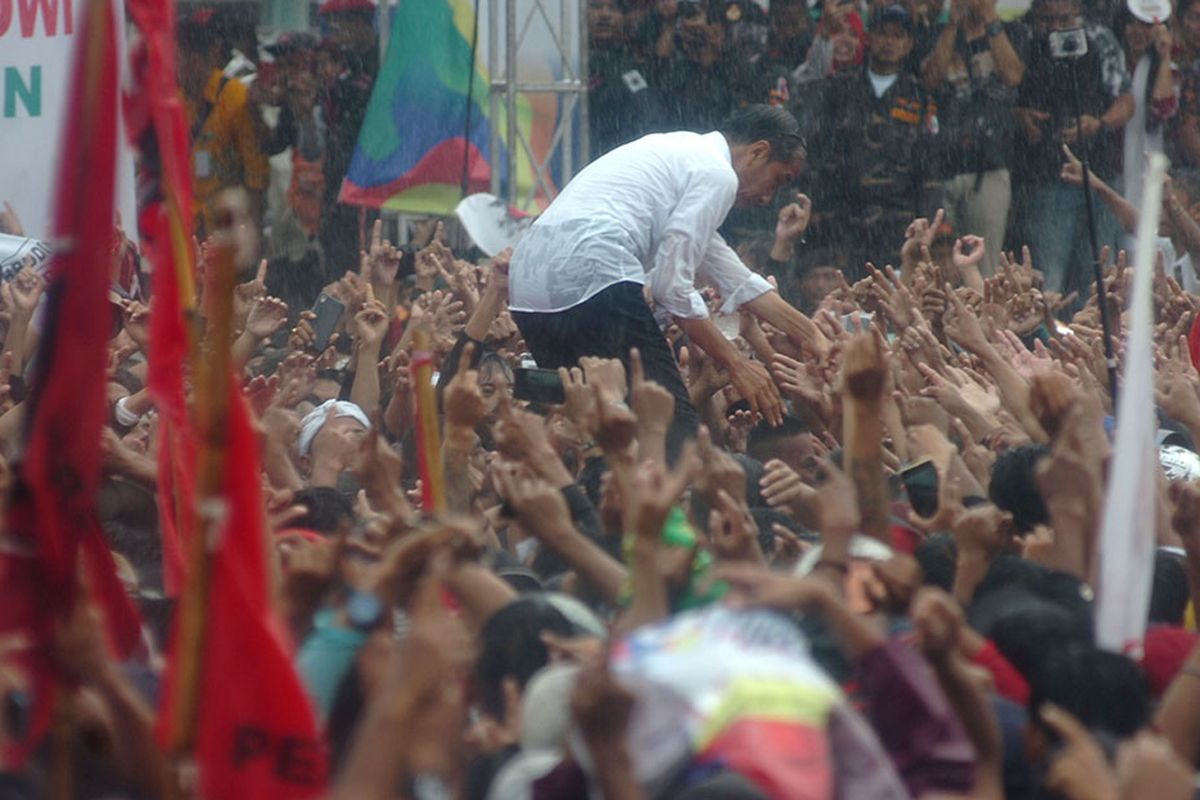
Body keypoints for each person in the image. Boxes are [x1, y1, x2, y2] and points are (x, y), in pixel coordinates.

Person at [508, 105, 826, 448]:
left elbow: (735, 277)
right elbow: (670, 288)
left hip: (528, 288)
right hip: (592, 273)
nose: (768, 198)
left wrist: (812, 334)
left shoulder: (684, 155)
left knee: (589, 433)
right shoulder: (717, 174)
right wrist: (736, 363)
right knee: (670, 436)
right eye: (779, 180)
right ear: (758, 152)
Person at [1013, 0, 1132, 299]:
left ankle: (1097, 341)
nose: (1055, 27)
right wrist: (1019, 115)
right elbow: (1007, 89)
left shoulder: (1099, 37)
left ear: (1076, 8)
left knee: (1101, 278)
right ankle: (1049, 342)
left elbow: (1126, 99)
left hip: (1098, 170)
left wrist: (1099, 123)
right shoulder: (1022, 36)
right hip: (1046, 175)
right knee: (1048, 277)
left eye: (1063, 18)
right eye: (1047, 19)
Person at [808, 4, 940, 275]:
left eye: (897, 35)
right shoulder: (839, 87)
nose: (889, 42)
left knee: (894, 300)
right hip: (844, 217)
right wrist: (818, 204)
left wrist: (926, 218)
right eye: (882, 33)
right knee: (845, 303)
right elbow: (819, 149)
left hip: (897, 221)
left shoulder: (919, 95)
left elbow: (928, 164)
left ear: (908, 44)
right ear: (868, 38)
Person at [921, 0, 1029, 275]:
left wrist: (990, 17)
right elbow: (930, 79)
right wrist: (953, 24)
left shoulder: (1014, 32)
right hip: (942, 166)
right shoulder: (936, 33)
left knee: (984, 263)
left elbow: (1013, 75)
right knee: (936, 263)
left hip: (990, 165)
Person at [177, 10, 269, 234]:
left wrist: (251, 230)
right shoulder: (173, 100)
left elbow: (255, 173)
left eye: (175, 59)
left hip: (225, 228)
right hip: (183, 227)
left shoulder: (235, 97)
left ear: (195, 59)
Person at [586, 0, 666, 160]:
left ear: (624, 17)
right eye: (596, 6)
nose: (604, 14)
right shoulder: (564, 64)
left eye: (613, 8)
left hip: (618, 159)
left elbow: (650, 117)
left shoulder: (635, 66)